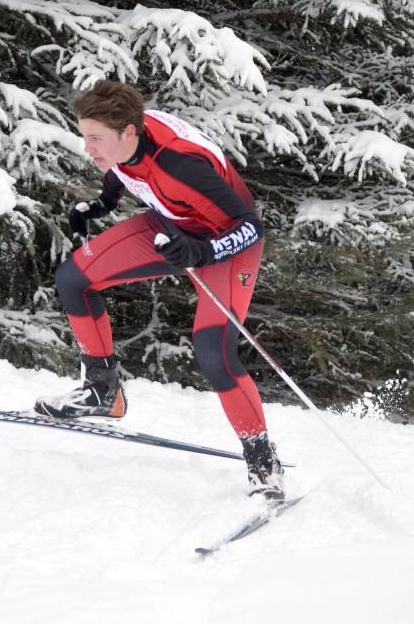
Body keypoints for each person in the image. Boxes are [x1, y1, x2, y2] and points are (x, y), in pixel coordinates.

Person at [34, 81, 284, 500]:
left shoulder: (181, 165)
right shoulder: (126, 143)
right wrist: (101, 204)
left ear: (128, 132)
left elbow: (250, 227)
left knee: (213, 351)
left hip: (226, 243)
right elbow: (124, 171)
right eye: (84, 136)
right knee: (73, 279)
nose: (87, 148)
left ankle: (263, 462)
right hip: (173, 225)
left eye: (95, 139)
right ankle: (102, 391)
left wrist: (202, 252)